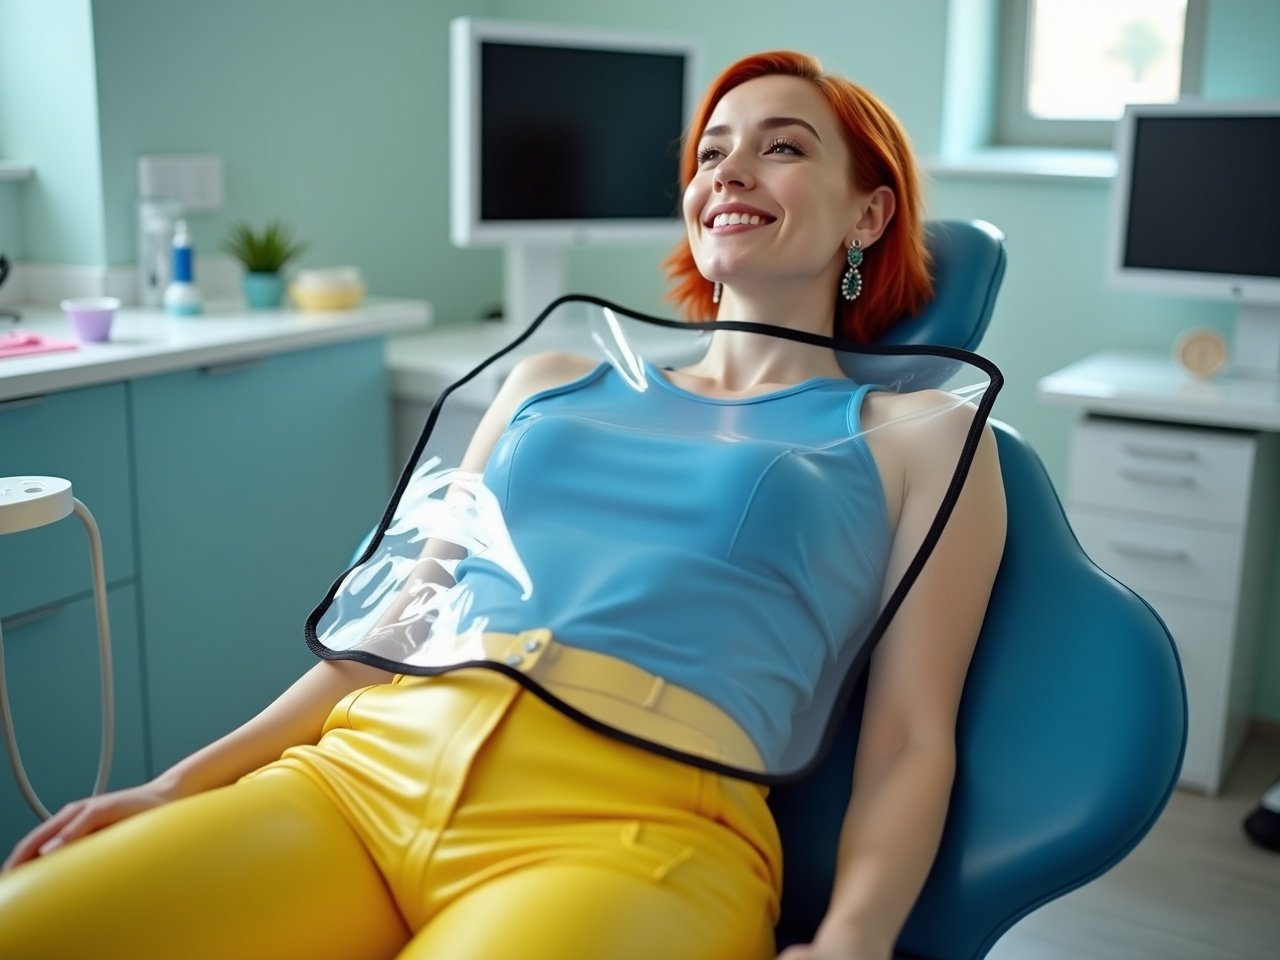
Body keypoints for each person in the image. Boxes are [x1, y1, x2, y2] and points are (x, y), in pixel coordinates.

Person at [0, 50, 1005, 960]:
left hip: (632, 830)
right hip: (363, 778)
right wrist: (179, 780)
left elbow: (911, 734)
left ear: (867, 214)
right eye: (709, 154)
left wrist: (851, 941)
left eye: (780, 148)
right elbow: (389, 628)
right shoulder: (546, 380)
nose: (726, 174)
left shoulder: (917, 434)